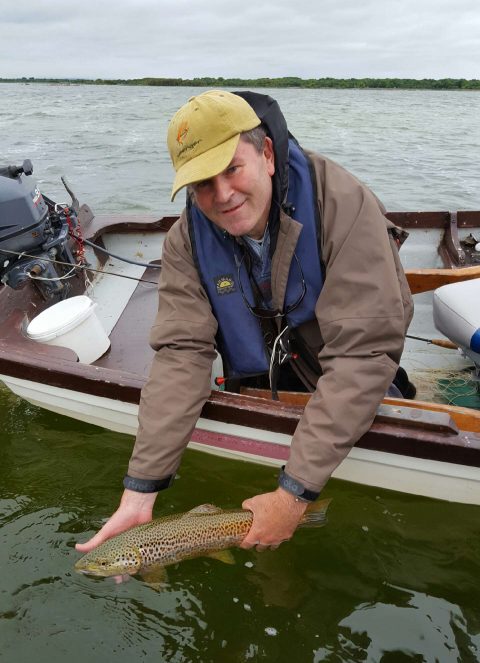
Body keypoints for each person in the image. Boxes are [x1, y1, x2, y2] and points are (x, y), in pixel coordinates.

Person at [76, 90, 413, 556]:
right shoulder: (185, 240)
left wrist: (293, 494)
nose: (223, 196)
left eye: (232, 169)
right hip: (255, 374)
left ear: (268, 155)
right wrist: (140, 489)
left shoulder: (343, 203)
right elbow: (182, 353)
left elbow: (362, 354)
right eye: (203, 185)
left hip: (336, 365)